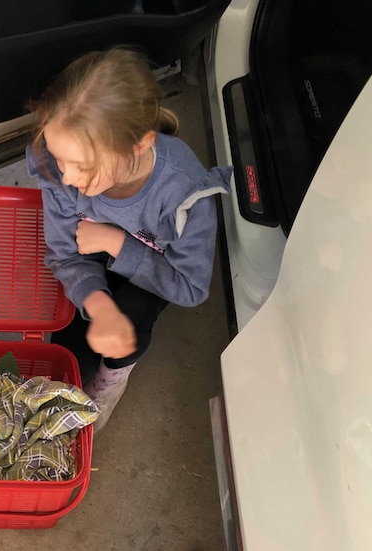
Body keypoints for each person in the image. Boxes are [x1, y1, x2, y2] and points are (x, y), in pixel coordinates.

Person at [27, 47, 232, 431]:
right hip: (91, 259)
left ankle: (112, 381)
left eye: (82, 167)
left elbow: (190, 287)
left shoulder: (184, 196)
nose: (67, 177)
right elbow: (63, 255)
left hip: (157, 271)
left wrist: (116, 242)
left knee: (131, 320)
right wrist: (98, 304)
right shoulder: (60, 169)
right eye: (59, 158)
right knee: (64, 365)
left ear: (139, 144)